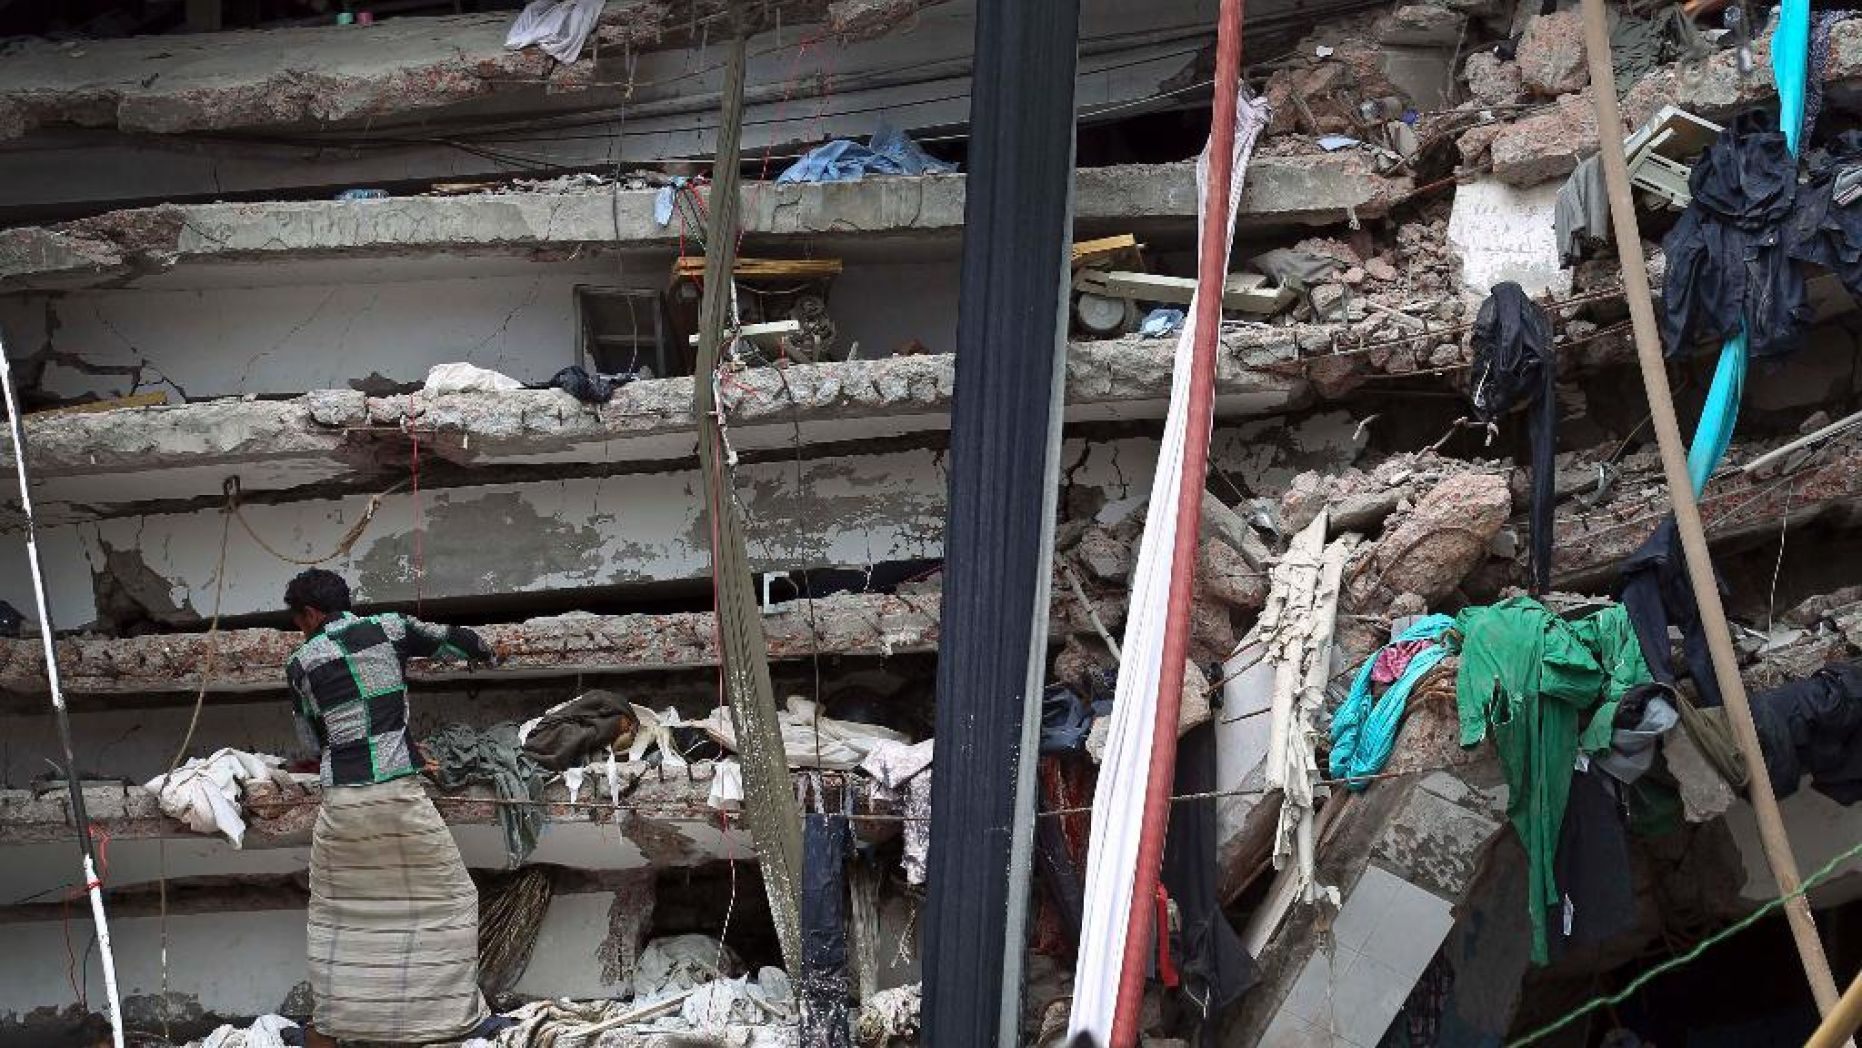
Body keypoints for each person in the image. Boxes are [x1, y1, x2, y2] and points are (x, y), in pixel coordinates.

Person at [281, 568, 507, 1048]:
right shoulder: (389, 627)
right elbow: (458, 641)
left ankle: (335, 1026)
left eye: (297, 619)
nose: (298, 628)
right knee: (452, 901)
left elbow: (311, 740)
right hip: (397, 799)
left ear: (313, 614)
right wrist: (489, 654)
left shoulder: (300, 662)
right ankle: (455, 1020)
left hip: (342, 804)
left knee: (338, 916)